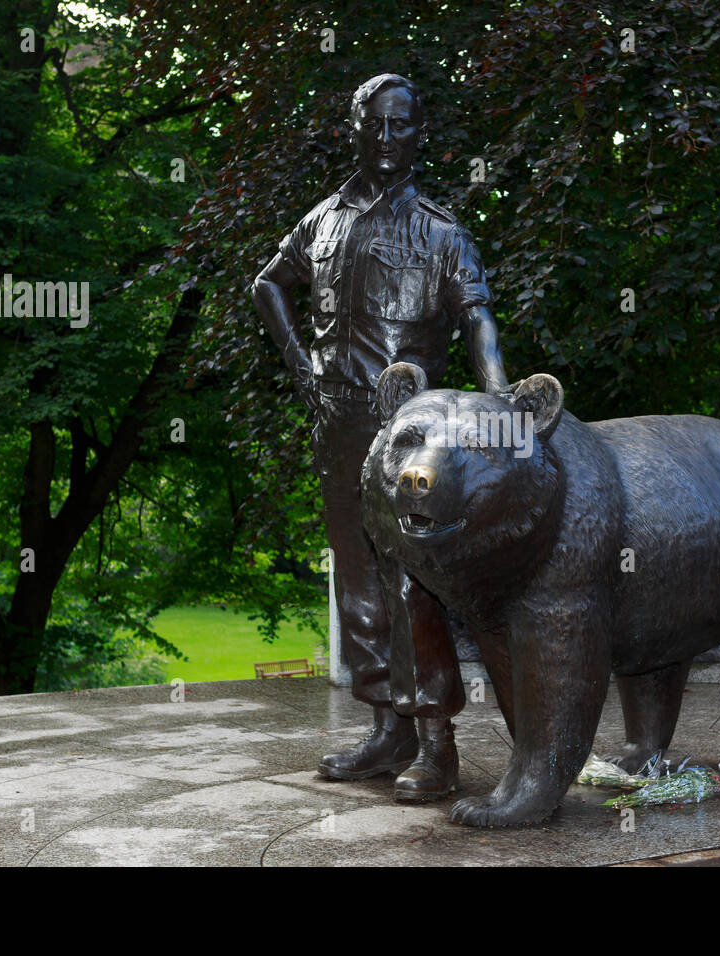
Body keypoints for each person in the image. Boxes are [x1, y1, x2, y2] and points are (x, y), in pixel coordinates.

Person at [250, 74, 510, 801]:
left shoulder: (440, 229)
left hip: (409, 437)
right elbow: (267, 285)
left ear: (419, 132)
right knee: (358, 582)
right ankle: (386, 727)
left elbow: (476, 316)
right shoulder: (321, 220)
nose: (390, 138)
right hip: (338, 427)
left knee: (410, 584)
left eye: (403, 125)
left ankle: (435, 741)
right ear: (356, 128)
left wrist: (500, 404)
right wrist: (300, 366)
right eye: (378, 124)